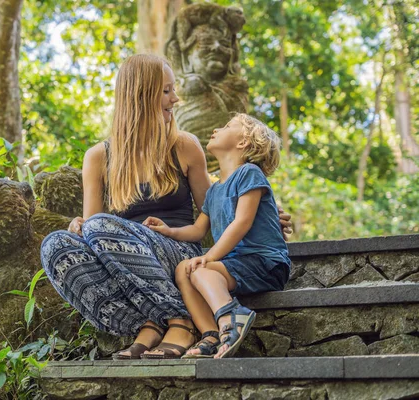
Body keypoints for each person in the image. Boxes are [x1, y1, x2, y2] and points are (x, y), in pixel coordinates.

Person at [40, 54, 292, 360]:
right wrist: (79, 227)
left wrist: (260, 217)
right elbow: (93, 231)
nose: (175, 98)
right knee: (56, 245)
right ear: (140, 95)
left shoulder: (185, 146)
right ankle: (149, 321)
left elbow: (215, 207)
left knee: (99, 227)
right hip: (123, 258)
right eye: (166, 90)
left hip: (178, 252)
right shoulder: (98, 158)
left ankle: (181, 321)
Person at [143, 114, 290, 359]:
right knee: (183, 269)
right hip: (237, 264)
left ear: (243, 142)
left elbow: (242, 222)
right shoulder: (214, 191)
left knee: (200, 269)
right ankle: (210, 334)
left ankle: (230, 315)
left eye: (227, 126)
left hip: (265, 262)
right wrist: (167, 230)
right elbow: (198, 230)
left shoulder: (249, 173)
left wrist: (209, 257)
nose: (216, 128)